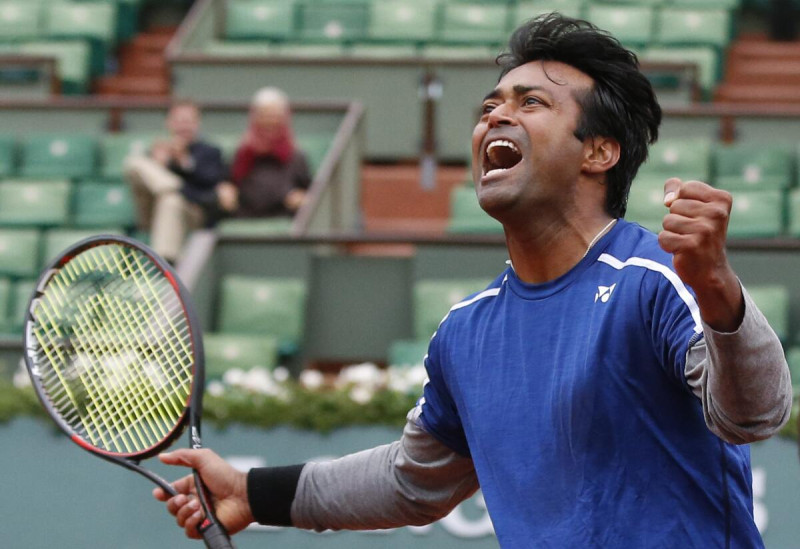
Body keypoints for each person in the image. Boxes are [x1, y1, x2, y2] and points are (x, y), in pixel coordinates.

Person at [153, 14, 793, 547]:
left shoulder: (655, 280)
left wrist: (716, 288)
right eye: (489, 107)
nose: (495, 118)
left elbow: (755, 413)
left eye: (530, 102)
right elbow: (413, 480)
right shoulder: (466, 330)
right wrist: (253, 491)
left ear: (599, 152)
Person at [125, 100, 230, 263]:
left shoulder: (210, 152)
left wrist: (184, 162)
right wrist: (160, 165)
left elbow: (212, 191)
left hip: (192, 214)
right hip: (151, 214)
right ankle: (171, 187)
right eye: (178, 121)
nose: (183, 126)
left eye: (188, 121)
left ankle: (164, 263)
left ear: (197, 123)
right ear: (168, 123)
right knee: (133, 163)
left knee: (171, 200)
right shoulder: (157, 152)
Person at [215, 87, 312, 220]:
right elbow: (228, 182)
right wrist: (226, 190)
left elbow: (311, 192)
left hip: (284, 216)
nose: (270, 121)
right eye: (264, 115)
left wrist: (301, 198)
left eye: (275, 116)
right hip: (244, 215)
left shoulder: (296, 156)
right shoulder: (243, 152)